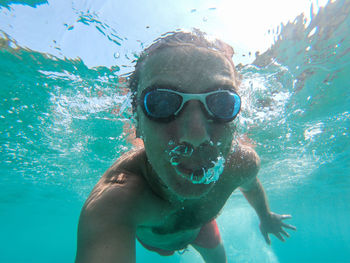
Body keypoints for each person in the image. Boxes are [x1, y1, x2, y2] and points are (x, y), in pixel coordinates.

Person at [75, 29, 296, 263]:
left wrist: (266, 216)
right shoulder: (116, 200)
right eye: (161, 102)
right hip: (155, 243)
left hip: (201, 230)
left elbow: (251, 186)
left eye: (221, 102)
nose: (196, 136)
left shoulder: (241, 164)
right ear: (137, 121)